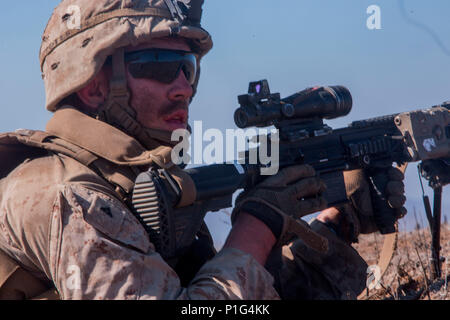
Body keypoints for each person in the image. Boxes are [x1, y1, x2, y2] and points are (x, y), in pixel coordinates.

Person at [0, 0, 406, 300]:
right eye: (158, 65)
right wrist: (256, 228)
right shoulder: (69, 198)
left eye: (188, 67)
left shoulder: (130, 183)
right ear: (92, 85)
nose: (183, 88)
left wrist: (337, 224)